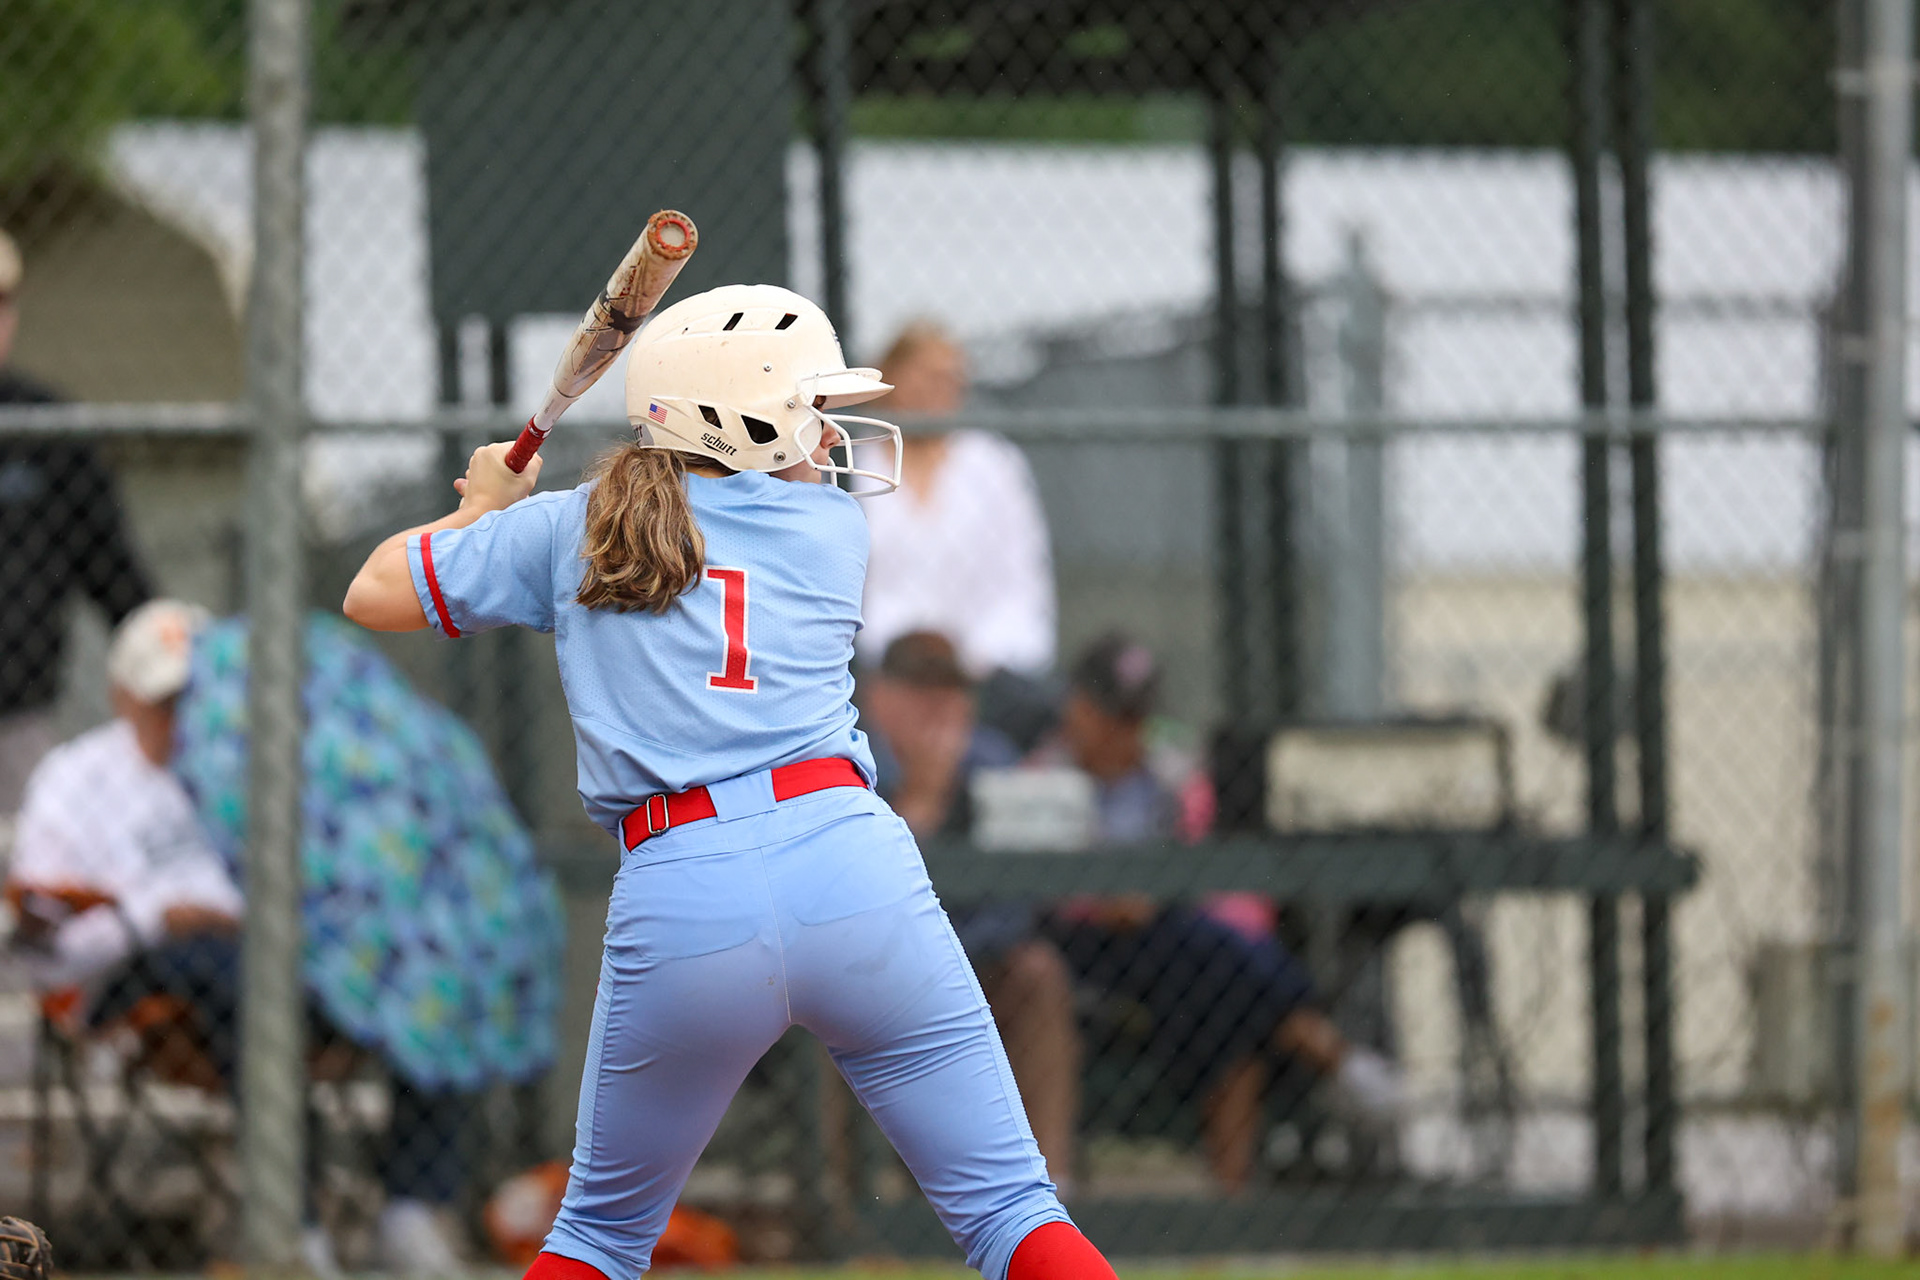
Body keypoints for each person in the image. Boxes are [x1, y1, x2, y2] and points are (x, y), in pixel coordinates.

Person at [343, 284, 1116, 1280]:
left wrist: (481, 511)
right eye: (810, 409)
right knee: (1011, 1209)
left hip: (686, 887)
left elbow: (372, 590)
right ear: (740, 422)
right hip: (852, 869)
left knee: (597, 1238)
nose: (829, 434)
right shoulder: (830, 527)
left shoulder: (574, 528)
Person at [6, 601, 560, 1274]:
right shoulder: (75, 778)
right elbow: (44, 942)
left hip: (291, 955)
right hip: (144, 967)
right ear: (121, 697)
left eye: (193, 698)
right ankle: (294, 1224)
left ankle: (414, 1205)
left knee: (435, 953)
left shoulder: (269, 760)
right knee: (234, 970)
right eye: (163, 702)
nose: (180, 718)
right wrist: (158, 914)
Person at [1041, 633, 1404, 1189]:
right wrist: (1098, 900)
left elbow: (1233, 900)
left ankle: (1235, 1199)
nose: (1127, 733)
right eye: (1113, 717)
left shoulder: (1175, 779)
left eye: (1137, 718)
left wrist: (1153, 899)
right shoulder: (1041, 777)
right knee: (1214, 965)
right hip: (1084, 946)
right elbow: (1032, 893)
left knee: (1221, 989)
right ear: (1078, 710)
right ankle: (1333, 1057)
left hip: (1176, 952)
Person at [859, 630, 1081, 1190]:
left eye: (953, 693)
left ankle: (1049, 1192)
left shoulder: (992, 761)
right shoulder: (851, 761)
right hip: (878, 971)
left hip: (976, 962)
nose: (942, 709)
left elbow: (1019, 905)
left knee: (1038, 974)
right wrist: (923, 803)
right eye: (923, 692)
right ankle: (853, 1204)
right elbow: (861, 902)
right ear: (882, 699)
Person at [0, 227, 153, 814]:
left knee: (29, 853)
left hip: (18, 713)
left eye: (2, 302)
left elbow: (110, 567)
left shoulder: (48, 426)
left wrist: (168, 645)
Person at [857, 321, 1055, 683]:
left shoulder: (995, 464)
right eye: (928, 375)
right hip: (879, 666)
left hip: (984, 666)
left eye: (952, 378)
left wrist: (973, 658)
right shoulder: (854, 466)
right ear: (890, 378)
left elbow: (1023, 581)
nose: (941, 389)